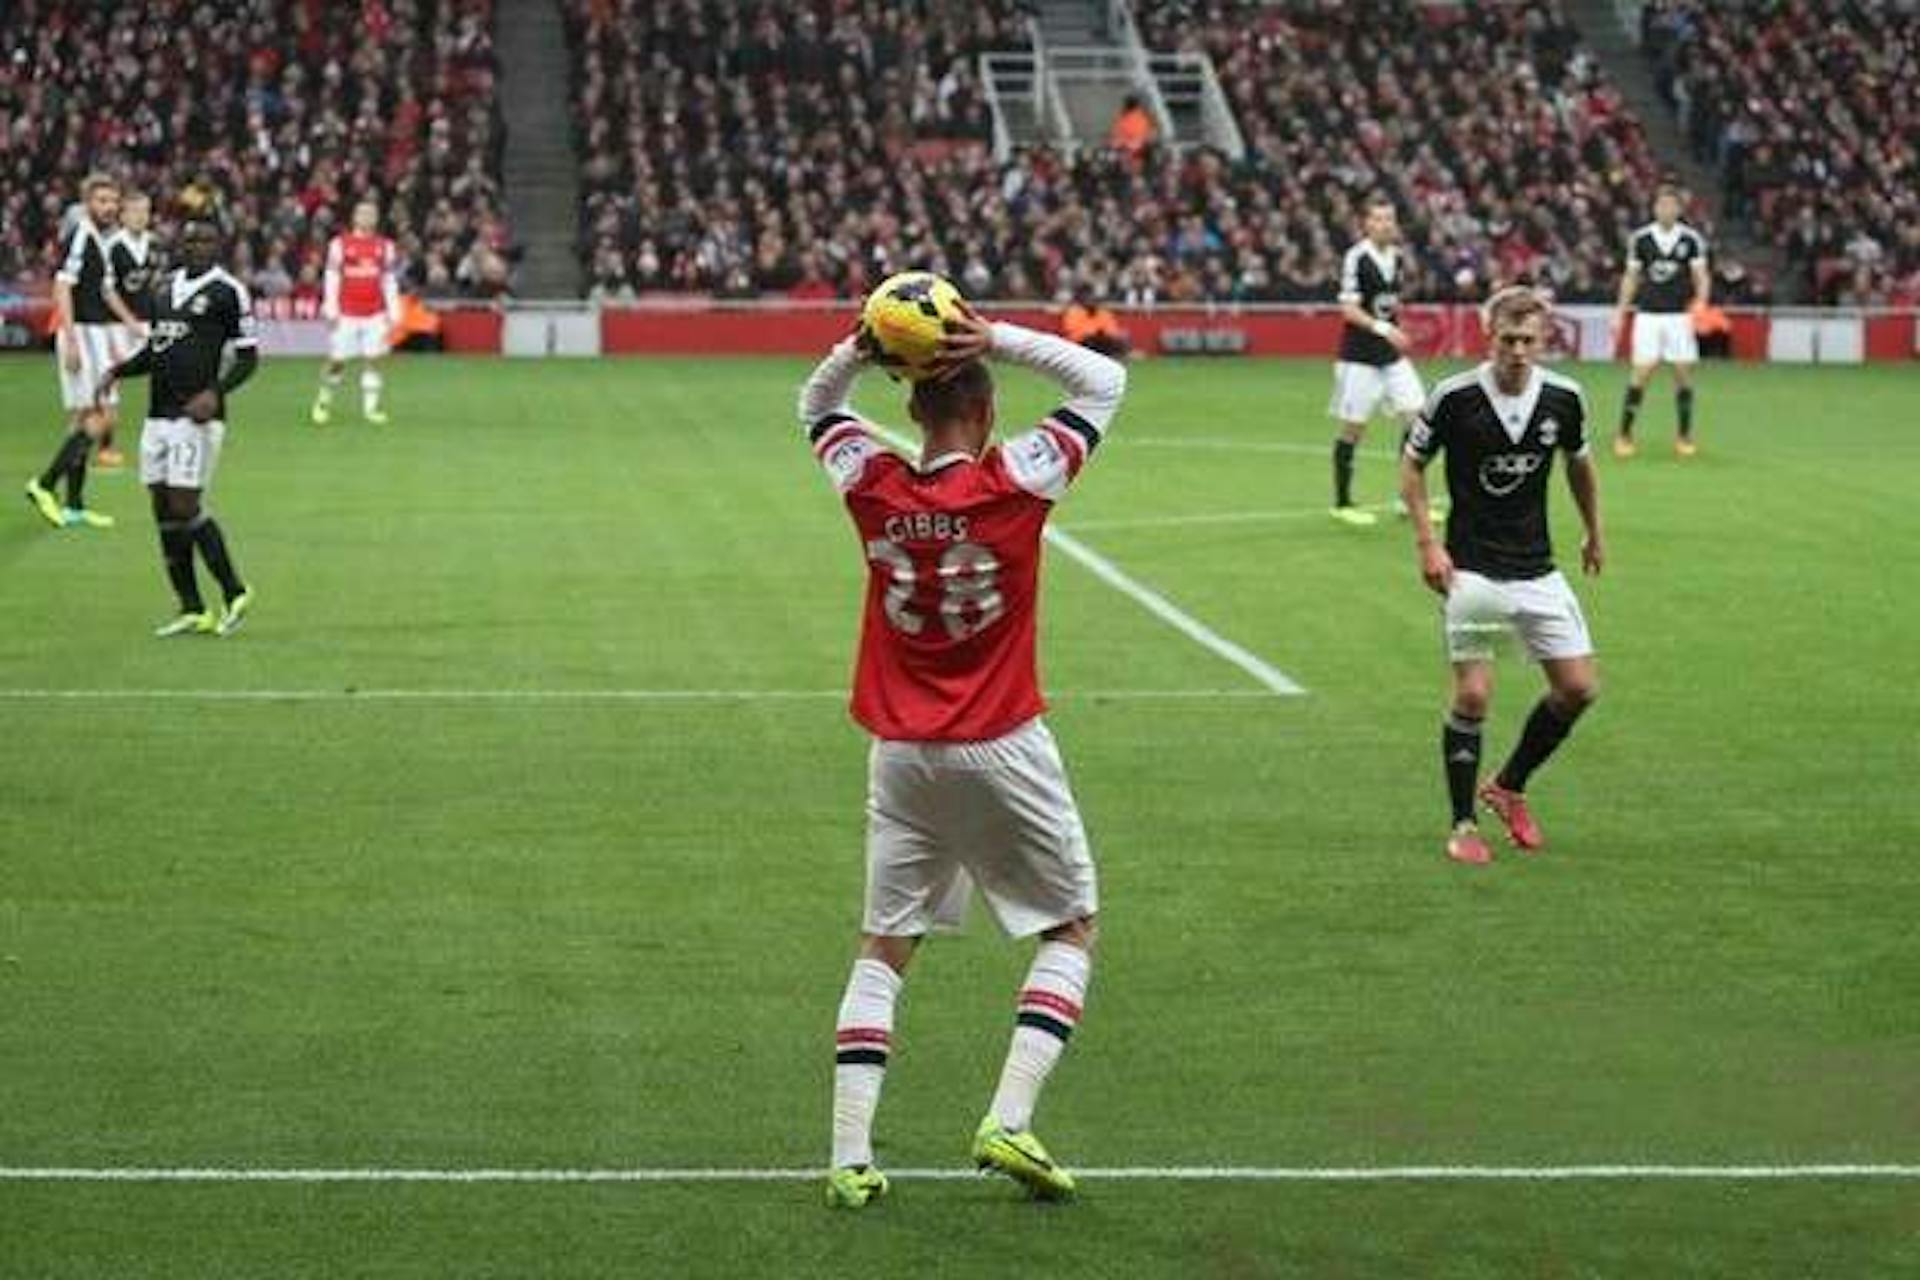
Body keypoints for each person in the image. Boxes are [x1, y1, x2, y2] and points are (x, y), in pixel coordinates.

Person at [799, 303, 1126, 1209]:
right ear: (986, 414)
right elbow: (1105, 380)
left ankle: (850, 1158)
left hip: (901, 752)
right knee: (1070, 929)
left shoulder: (874, 486)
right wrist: (1000, 335)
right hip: (1001, 741)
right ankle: (1009, 1118)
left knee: (884, 946)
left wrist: (856, 352)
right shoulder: (1019, 484)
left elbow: (816, 408)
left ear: (909, 412)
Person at [1398, 287, 1604, 866]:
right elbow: (1412, 468)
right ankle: (1463, 823)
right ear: (1488, 336)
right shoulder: (1455, 396)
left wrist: (1594, 530)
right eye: (1507, 339)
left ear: (1543, 340)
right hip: (1472, 569)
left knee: (1579, 688)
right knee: (1474, 692)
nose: (1517, 351)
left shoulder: (1565, 398)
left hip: (1537, 567)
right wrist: (1428, 543)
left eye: (1528, 341)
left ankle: (1508, 784)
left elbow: (1580, 465)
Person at [97, 218, 259, 638]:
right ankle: (192, 607)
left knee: (186, 504)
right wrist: (118, 370)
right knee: (163, 510)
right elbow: (156, 348)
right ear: (180, 245)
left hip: (197, 418)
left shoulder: (229, 292)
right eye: (190, 240)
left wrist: (216, 393)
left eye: (205, 239)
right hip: (157, 416)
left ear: (218, 244)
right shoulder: (164, 288)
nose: (197, 246)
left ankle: (235, 590)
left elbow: (248, 358)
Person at [25, 174, 141, 530]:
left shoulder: (100, 240)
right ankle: (44, 483)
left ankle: (74, 505)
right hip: (83, 336)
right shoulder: (79, 235)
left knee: (81, 421)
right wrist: (71, 339)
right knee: (102, 416)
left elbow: (106, 292)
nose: (108, 207)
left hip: (96, 335)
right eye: (101, 200)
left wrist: (132, 322)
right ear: (88, 203)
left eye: (112, 201)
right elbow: (62, 286)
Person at [1329, 194, 1424, 527]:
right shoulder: (1356, 258)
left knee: (1417, 421)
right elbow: (1348, 309)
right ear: (1366, 223)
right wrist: (1384, 328)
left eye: (1390, 219)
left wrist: (1397, 330)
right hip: (1359, 357)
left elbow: (1389, 304)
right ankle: (1341, 502)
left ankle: (1406, 499)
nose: (1386, 225)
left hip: (1390, 355)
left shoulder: (1397, 258)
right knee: (1354, 429)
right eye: (1379, 219)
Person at [1612, 183, 1710, 457]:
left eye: (1671, 205)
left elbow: (1701, 276)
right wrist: (1620, 311)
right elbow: (1631, 278)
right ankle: (1624, 434)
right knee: (1641, 373)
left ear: (1679, 209)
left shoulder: (1691, 239)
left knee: (1682, 374)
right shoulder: (1641, 239)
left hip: (1679, 317)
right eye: (1661, 205)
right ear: (1654, 208)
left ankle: (1684, 436)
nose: (1666, 210)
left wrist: (1701, 304)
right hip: (1648, 316)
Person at [312, 199, 400, 426]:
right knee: (337, 361)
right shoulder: (340, 244)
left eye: (371, 214)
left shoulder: (385, 246)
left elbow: (389, 279)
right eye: (363, 213)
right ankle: (323, 400)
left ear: (377, 218)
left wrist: (394, 308)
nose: (367, 217)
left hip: (375, 313)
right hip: (347, 313)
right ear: (355, 217)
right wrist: (330, 306)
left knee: (373, 360)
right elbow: (332, 277)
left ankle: (371, 409)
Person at [103, 190, 162, 468]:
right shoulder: (112, 246)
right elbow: (107, 290)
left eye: (145, 211)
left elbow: (161, 284)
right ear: (123, 215)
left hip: (151, 323)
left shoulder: (155, 244)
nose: (141, 217)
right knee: (112, 381)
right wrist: (128, 320)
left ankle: (161, 438)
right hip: (118, 325)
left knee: (164, 375)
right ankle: (106, 445)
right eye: (135, 211)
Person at [1060, 289, 1130, 359]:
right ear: (1083, 302)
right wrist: (1094, 332)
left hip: (1101, 338)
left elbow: (1111, 329)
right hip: (1081, 340)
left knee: (1121, 338)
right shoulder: (1074, 312)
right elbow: (1072, 330)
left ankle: (1118, 360)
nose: (1092, 303)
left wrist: (1105, 333)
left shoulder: (1104, 313)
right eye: (1089, 301)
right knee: (1091, 340)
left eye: (1094, 301)